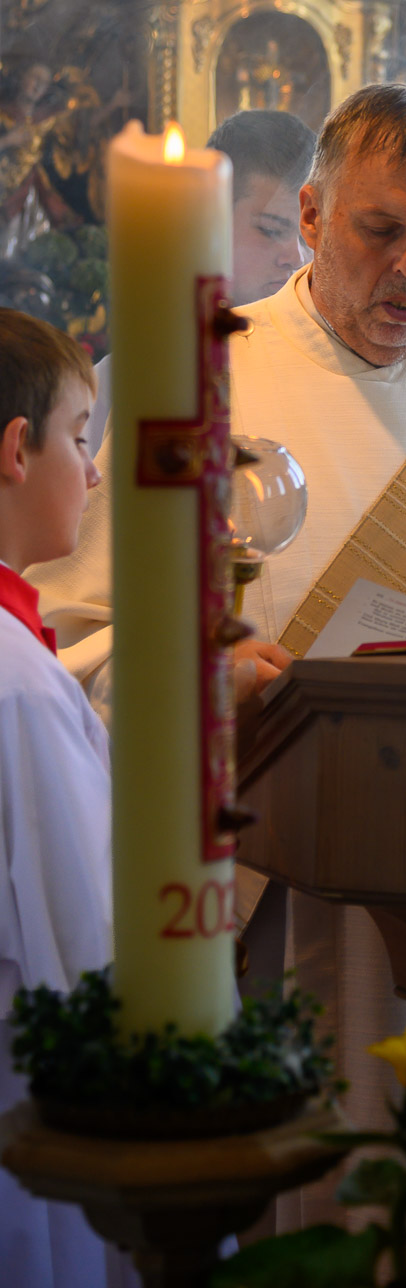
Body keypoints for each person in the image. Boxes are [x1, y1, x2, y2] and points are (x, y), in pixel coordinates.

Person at [31, 85, 406, 1222]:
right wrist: (203, 686)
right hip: (272, 881)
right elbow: (58, 647)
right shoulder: (180, 380)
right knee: (302, 1205)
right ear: (309, 217)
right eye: (381, 230)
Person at [0, 310, 131, 1287]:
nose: (91, 472)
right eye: (80, 436)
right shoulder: (16, 684)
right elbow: (84, 931)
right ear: (16, 448)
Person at [85, 110, 317, 457]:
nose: (295, 257)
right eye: (270, 229)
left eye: (306, 233)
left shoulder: (326, 375)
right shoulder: (126, 382)